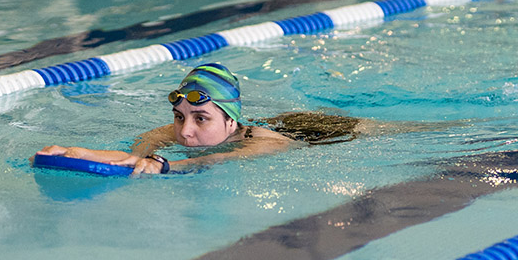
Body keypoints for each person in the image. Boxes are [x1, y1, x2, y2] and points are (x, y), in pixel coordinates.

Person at [37, 63, 363, 175]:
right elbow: (137, 157)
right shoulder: (178, 129)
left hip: (327, 132)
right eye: (179, 117)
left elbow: (212, 161)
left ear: (230, 122)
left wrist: (165, 166)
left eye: (201, 119)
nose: (185, 132)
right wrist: (77, 153)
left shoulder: (261, 146)